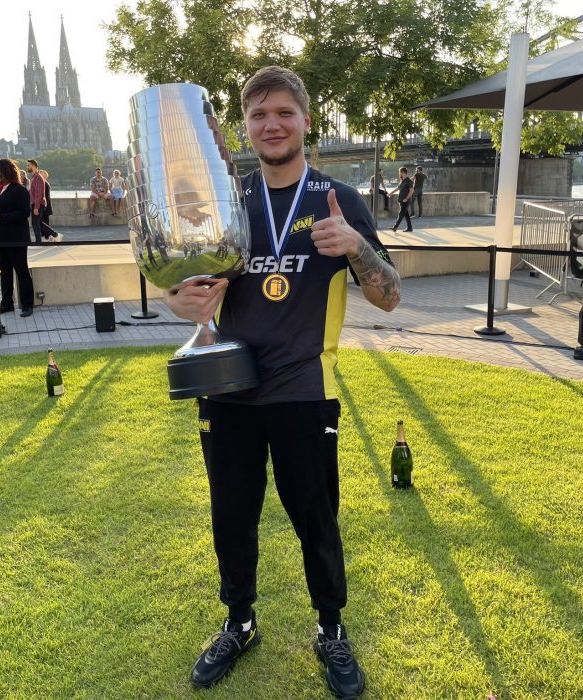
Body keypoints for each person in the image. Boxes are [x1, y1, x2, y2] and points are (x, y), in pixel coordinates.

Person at [165, 66, 401, 699]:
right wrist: (177, 301)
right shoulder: (225, 201)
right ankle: (239, 622)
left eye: (283, 113)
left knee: (315, 517)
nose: (271, 125)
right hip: (228, 386)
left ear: (305, 121)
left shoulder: (338, 199)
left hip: (304, 389)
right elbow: (185, 285)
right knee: (231, 515)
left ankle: (331, 629)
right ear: (246, 126)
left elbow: (389, 296)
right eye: (258, 115)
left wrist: (355, 247)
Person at [0, 159, 34, 317]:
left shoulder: (19, 190)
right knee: (4, 271)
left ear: (4, 171)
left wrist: (0, 217)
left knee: (21, 270)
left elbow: (23, 213)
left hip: (16, 237)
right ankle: (6, 303)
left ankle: (27, 304)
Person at [39, 169, 63, 242]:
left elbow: (42, 197)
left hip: (45, 207)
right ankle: (48, 237)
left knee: (43, 223)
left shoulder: (44, 184)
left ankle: (50, 236)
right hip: (45, 207)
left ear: (44, 176)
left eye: (40, 174)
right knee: (43, 223)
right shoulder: (44, 183)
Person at [389, 167, 414, 233]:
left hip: (405, 201)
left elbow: (412, 191)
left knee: (401, 214)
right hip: (401, 201)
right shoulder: (402, 181)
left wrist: (406, 198)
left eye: (400, 173)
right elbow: (398, 188)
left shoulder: (409, 181)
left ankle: (395, 227)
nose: (399, 174)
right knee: (406, 215)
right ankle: (410, 228)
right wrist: (390, 193)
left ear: (403, 172)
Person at [27, 158, 46, 244]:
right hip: (36, 204)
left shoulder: (37, 178)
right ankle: (55, 235)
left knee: (35, 224)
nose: (27, 167)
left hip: (37, 204)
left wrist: (36, 207)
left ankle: (38, 242)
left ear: (34, 166)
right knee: (38, 223)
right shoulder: (34, 177)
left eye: (29, 165)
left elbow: (39, 194)